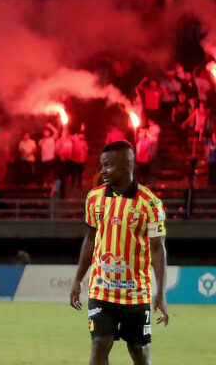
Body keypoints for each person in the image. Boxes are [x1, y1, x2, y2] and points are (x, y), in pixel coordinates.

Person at [69, 140, 168, 365]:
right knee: (99, 345)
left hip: (136, 293)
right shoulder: (94, 198)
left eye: (107, 166)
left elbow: (157, 250)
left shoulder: (151, 204)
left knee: (139, 352)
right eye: (101, 165)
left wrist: (160, 292)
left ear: (127, 166)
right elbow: (90, 239)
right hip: (101, 290)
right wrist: (77, 279)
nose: (102, 171)